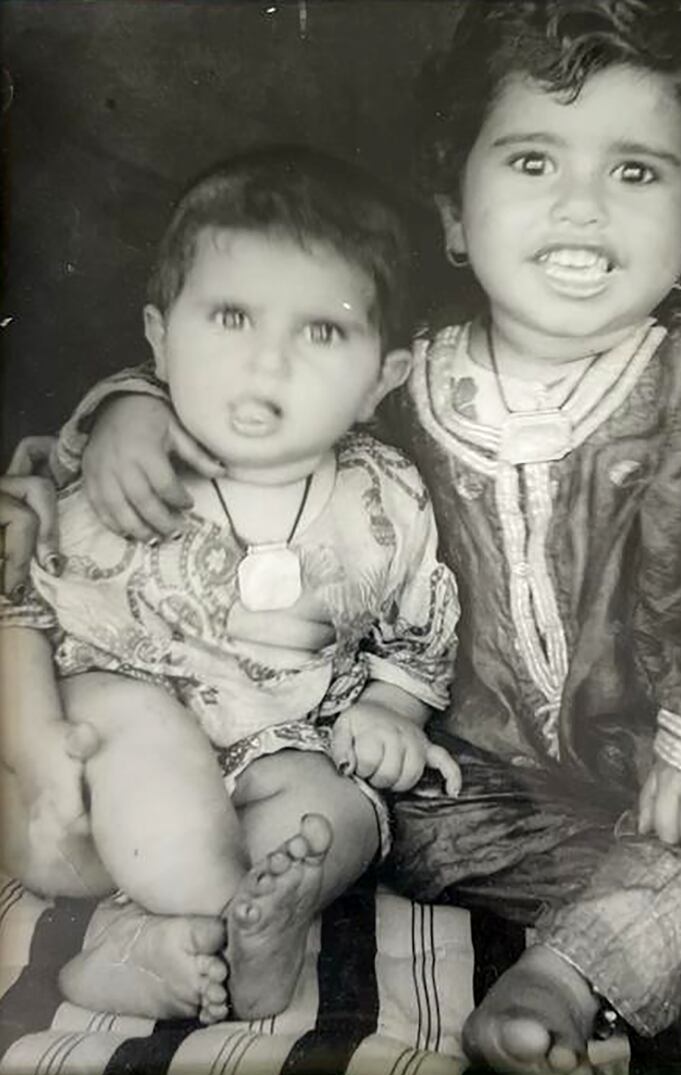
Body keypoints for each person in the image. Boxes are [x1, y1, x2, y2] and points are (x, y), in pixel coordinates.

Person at [6, 0, 681, 1068]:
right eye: (530, 162)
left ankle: (566, 973)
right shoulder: (400, 373)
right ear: (454, 217)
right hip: (480, 790)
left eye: (635, 173)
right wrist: (128, 407)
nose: (579, 206)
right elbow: (255, 401)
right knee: (379, 815)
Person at [0, 145, 461, 1024]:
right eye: (231, 318)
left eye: (320, 331)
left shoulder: (387, 496)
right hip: (101, 740)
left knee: (344, 811)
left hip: (273, 740)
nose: (267, 364)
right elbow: (38, 494)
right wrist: (117, 413)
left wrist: (394, 709)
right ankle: (214, 911)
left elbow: (417, 622)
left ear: (382, 380)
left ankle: (196, 933)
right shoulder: (130, 447)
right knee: (151, 746)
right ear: (159, 337)